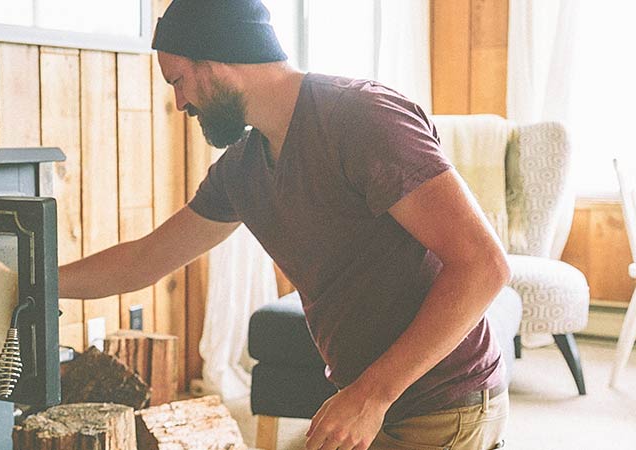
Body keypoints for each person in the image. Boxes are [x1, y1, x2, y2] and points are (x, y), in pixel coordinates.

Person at [57, 0, 511, 449]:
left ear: (217, 61)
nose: (180, 103)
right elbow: (143, 260)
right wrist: (35, 283)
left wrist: (371, 396)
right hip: (370, 400)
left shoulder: (359, 117)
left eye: (179, 80)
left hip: (444, 404)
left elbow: (484, 265)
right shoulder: (241, 171)